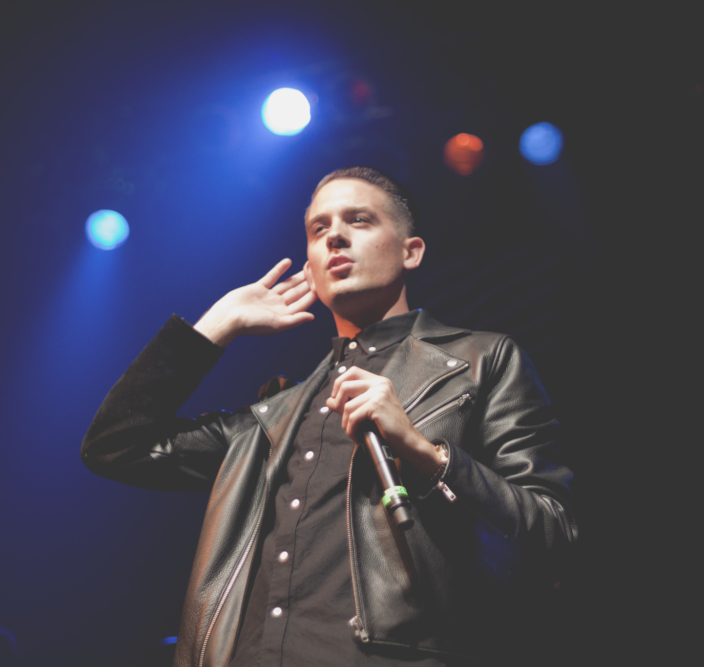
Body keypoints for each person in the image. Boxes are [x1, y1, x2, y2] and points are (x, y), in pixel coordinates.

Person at [81, 166, 577, 667]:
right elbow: (116, 445)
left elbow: (553, 533)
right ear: (311, 268)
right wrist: (218, 325)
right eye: (318, 229)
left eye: (359, 220)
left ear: (411, 252)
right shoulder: (275, 417)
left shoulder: (478, 361)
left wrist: (423, 451)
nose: (334, 236)